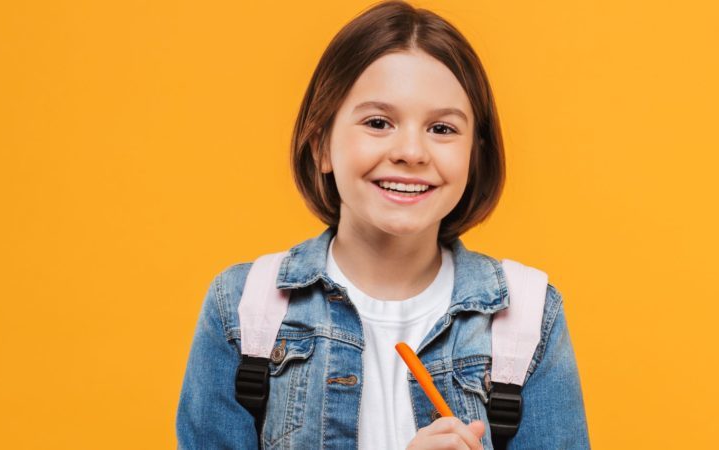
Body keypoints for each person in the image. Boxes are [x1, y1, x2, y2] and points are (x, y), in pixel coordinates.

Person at [176, 1, 589, 448]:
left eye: (443, 129)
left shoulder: (528, 317)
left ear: (475, 154)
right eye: (378, 122)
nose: (411, 152)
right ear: (321, 146)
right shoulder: (243, 310)